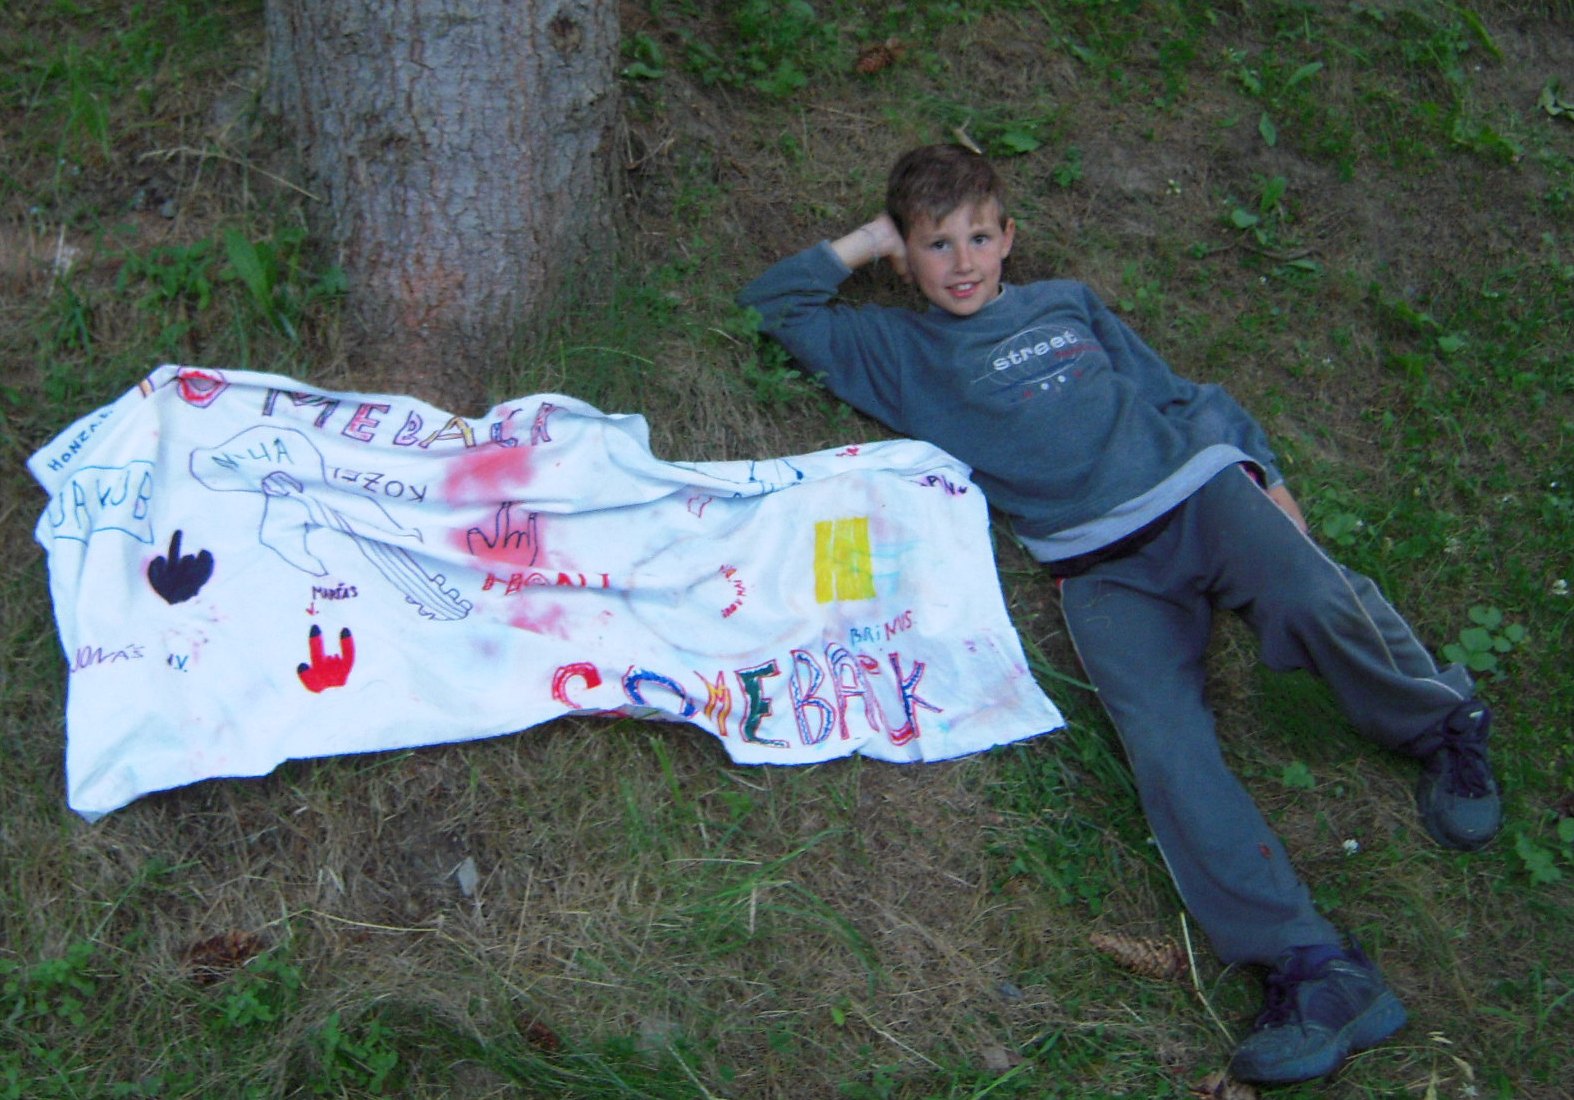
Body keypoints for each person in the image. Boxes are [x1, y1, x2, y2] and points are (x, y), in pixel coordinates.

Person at [736, 143, 1502, 1086]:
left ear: (1009, 237)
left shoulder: (1068, 304)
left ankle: (1442, 726)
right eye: (936, 244)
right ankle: (1314, 969)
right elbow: (773, 307)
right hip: (1096, 567)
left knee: (1310, 595)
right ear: (906, 257)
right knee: (1164, 747)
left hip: (1198, 493)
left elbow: (1177, 394)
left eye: (980, 237)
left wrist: (1264, 473)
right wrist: (863, 241)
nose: (963, 262)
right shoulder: (895, 350)